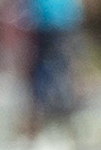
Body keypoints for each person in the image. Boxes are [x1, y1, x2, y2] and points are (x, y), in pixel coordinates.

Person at [21, 0, 80, 134]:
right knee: (56, 68)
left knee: (55, 68)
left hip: (50, 21)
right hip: (55, 21)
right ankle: (54, 114)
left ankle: (52, 113)